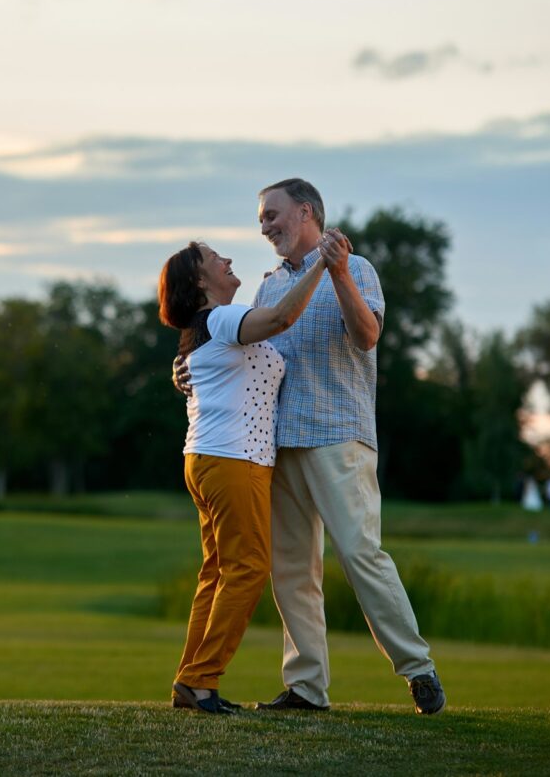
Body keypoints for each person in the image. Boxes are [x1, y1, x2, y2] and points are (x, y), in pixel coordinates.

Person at [178, 178, 444, 715]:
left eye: (272, 214)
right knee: (293, 572)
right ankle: (306, 687)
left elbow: (367, 336)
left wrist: (338, 270)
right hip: (276, 444)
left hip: (338, 434)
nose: (264, 226)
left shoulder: (359, 267)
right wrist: (186, 367)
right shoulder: (269, 286)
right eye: (261, 218)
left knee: (360, 554)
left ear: (306, 212)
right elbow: (238, 352)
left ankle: (417, 669)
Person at [158, 238, 330, 714]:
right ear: (199, 280)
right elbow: (280, 319)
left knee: (217, 574)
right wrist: (321, 265)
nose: (228, 261)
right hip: (233, 461)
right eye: (216, 259)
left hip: (211, 459)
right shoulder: (221, 318)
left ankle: (191, 682)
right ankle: (200, 679)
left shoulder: (210, 327)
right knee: (248, 568)